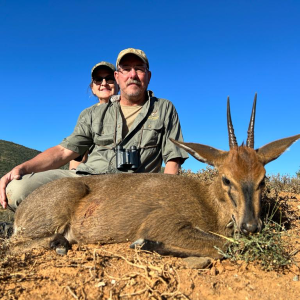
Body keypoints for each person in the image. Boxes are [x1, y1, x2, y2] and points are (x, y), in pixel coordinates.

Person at [0, 48, 188, 211]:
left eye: (139, 69)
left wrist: (164, 198)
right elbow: (63, 151)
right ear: (118, 76)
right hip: (86, 181)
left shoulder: (164, 108)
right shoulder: (93, 114)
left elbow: (173, 159)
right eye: (126, 69)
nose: (132, 74)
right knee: (18, 190)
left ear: (148, 76)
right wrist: (21, 168)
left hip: (133, 190)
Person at [69, 61, 119, 170]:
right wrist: (73, 175)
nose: (104, 83)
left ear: (118, 83)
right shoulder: (87, 114)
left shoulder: (129, 108)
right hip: (94, 173)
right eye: (98, 79)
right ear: (92, 87)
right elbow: (78, 153)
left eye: (109, 78)